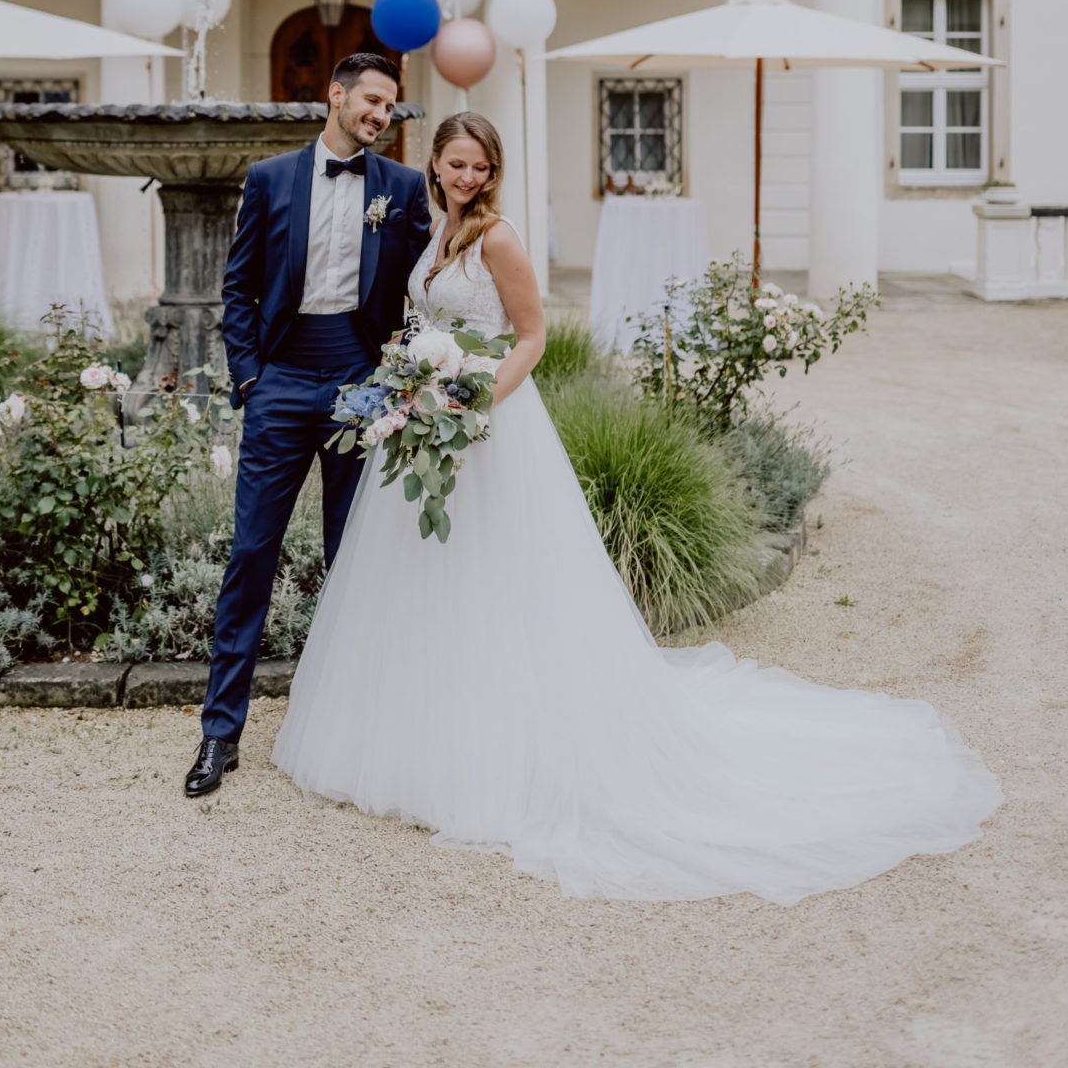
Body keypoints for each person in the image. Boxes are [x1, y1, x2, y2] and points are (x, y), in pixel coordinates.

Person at [271, 111, 1003, 904]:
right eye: (455, 165)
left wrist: (472, 397)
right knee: (420, 577)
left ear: (493, 171)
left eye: (479, 168)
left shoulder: (498, 238)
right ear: (434, 165)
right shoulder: (430, 225)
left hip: (487, 422)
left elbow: (531, 337)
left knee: (498, 579)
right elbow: (424, 320)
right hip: (426, 419)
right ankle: (415, 739)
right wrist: (412, 383)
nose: (467, 179)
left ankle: (504, 750)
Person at [184, 54, 432, 800]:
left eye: (390, 106)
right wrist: (251, 377)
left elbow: (425, 286)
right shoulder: (268, 179)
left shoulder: (403, 188)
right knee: (252, 553)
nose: (381, 114)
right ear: (335, 96)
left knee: (351, 560)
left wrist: (406, 378)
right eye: (371, 100)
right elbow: (238, 284)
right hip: (282, 381)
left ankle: (353, 732)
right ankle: (219, 733)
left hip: (360, 383)